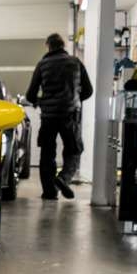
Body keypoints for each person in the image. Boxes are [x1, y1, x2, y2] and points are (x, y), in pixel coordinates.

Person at [25, 33, 94, 200]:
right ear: (63, 46)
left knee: (47, 153)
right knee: (73, 150)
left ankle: (49, 192)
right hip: (70, 114)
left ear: (48, 46)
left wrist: (40, 102)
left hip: (48, 116)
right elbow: (88, 90)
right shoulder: (75, 62)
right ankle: (63, 178)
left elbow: (30, 94)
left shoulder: (42, 65)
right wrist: (74, 99)